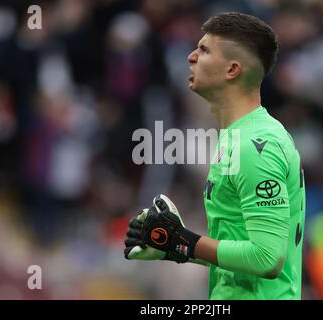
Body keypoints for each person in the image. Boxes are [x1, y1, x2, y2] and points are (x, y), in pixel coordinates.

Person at [124, 12, 306, 300]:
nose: (191, 56)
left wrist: (186, 242)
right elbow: (243, 255)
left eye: (204, 50)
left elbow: (268, 258)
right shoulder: (238, 136)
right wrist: (173, 245)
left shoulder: (255, 145)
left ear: (232, 70)